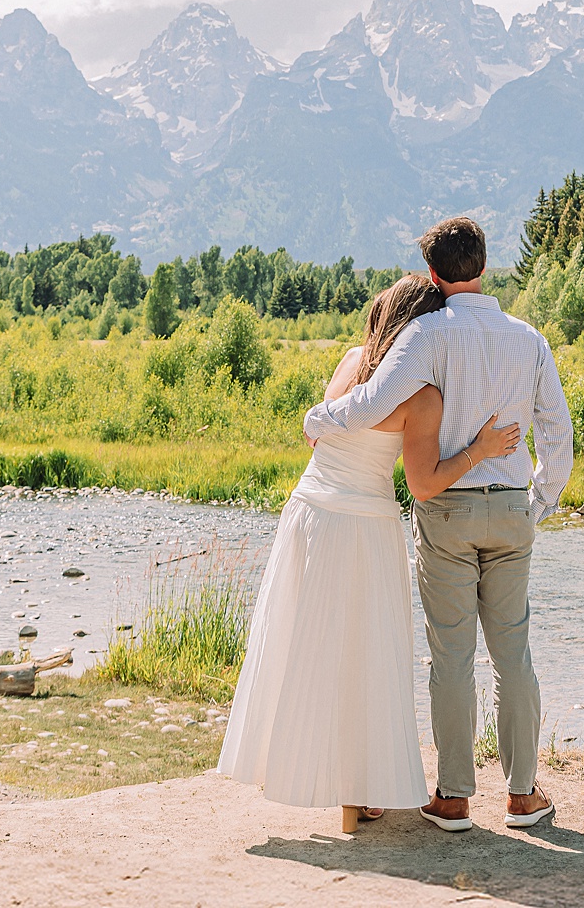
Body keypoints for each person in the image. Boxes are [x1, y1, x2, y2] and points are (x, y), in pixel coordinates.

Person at [219, 274, 522, 828]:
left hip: (310, 510)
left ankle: (305, 773)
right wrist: (478, 450)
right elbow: (425, 484)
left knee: (303, 645)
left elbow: (319, 434)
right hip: (365, 524)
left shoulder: (352, 362)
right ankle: (359, 790)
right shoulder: (422, 395)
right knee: (366, 656)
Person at [304, 216, 574, 832]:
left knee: (451, 656)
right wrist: (535, 502)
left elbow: (372, 404)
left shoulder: (426, 332)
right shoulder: (528, 338)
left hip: (446, 507)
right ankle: (523, 795)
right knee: (514, 654)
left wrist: (319, 419)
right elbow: (558, 438)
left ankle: (453, 798)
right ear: (486, 265)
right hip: (509, 507)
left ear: (433, 274)